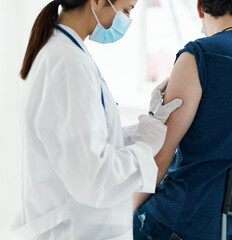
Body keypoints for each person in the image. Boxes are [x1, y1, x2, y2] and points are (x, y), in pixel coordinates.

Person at [10, 0, 183, 239]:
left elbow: (85, 142)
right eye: (126, 10)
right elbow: (93, 177)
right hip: (74, 229)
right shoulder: (69, 63)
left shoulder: (65, 52)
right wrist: (143, 148)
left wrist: (142, 130)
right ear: (98, 1)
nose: (127, 21)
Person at [133, 0, 232, 239]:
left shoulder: (198, 56)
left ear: (199, 7)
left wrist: (119, 213)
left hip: (185, 222)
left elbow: (158, 162)